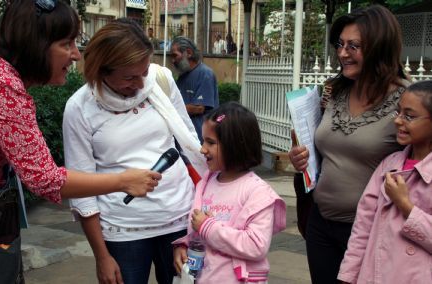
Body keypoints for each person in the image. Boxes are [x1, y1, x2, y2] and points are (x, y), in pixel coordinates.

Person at [0, 1, 159, 283]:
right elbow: (44, 178)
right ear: (36, 44)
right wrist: (123, 181)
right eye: (67, 43)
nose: (76, 54)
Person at [63, 18, 202, 284]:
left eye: (143, 72)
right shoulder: (79, 108)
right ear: (101, 70)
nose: (140, 84)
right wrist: (102, 256)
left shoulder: (160, 80)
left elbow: (190, 143)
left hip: (179, 223)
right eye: (129, 77)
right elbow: (81, 192)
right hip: (122, 231)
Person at [288, 5, 409, 283]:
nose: (342, 53)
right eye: (340, 44)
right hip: (320, 224)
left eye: (353, 46)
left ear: (379, 48)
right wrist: (301, 159)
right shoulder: (334, 91)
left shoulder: (406, 101)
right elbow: (322, 148)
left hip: (370, 232)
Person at [173, 102, 286, 283]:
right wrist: (185, 244)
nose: (202, 149)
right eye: (203, 141)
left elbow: (256, 246)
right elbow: (198, 227)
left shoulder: (257, 192)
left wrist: (207, 227)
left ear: (235, 145)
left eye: (210, 142)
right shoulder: (206, 182)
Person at [338, 80, 432, 283]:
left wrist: (406, 206)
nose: (398, 121)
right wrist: (348, 275)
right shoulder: (390, 164)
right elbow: (363, 226)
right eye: (398, 112)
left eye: (409, 116)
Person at [170, 36, 219, 143]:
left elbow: (199, 108)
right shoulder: (182, 77)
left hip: (201, 141)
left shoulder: (205, 74)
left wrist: (169, 109)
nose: (172, 61)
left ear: (188, 53)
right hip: (185, 139)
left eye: (175, 55)